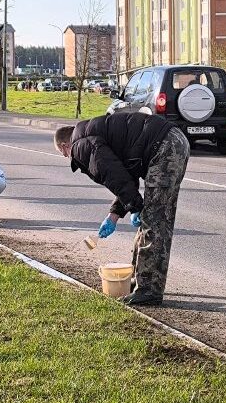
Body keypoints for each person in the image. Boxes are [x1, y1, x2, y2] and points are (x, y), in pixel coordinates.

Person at [54, 113, 190, 306]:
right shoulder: (89, 133)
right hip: (170, 142)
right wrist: (115, 214)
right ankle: (139, 280)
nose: (71, 157)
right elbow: (126, 175)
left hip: (164, 147)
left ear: (64, 146)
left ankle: (149, 291)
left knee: (155, 222)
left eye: (65, 155)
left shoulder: (79, 145)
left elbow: (112, 174)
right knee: (150, 219)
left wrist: (135, 206)